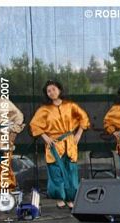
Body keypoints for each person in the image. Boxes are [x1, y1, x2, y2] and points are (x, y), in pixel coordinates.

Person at [30, 80, 90, 209]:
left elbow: (84, 117)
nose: (51, 92)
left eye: (53, 89)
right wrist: (45, 137)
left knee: (71, 171)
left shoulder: (71, 105)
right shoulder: (44, 109)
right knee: (56, 172)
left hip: (69, 142)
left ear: (59, 90)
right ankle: (59, 197)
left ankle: (70, 198)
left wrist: (79, 133)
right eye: (48, 91)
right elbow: (34, 124)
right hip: (54, 144)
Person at [0, 98, 25, 192]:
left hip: (2, 141)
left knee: (3, 168)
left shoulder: (3, 103)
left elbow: (19, 117)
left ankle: (5, 192)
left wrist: (13, 132)